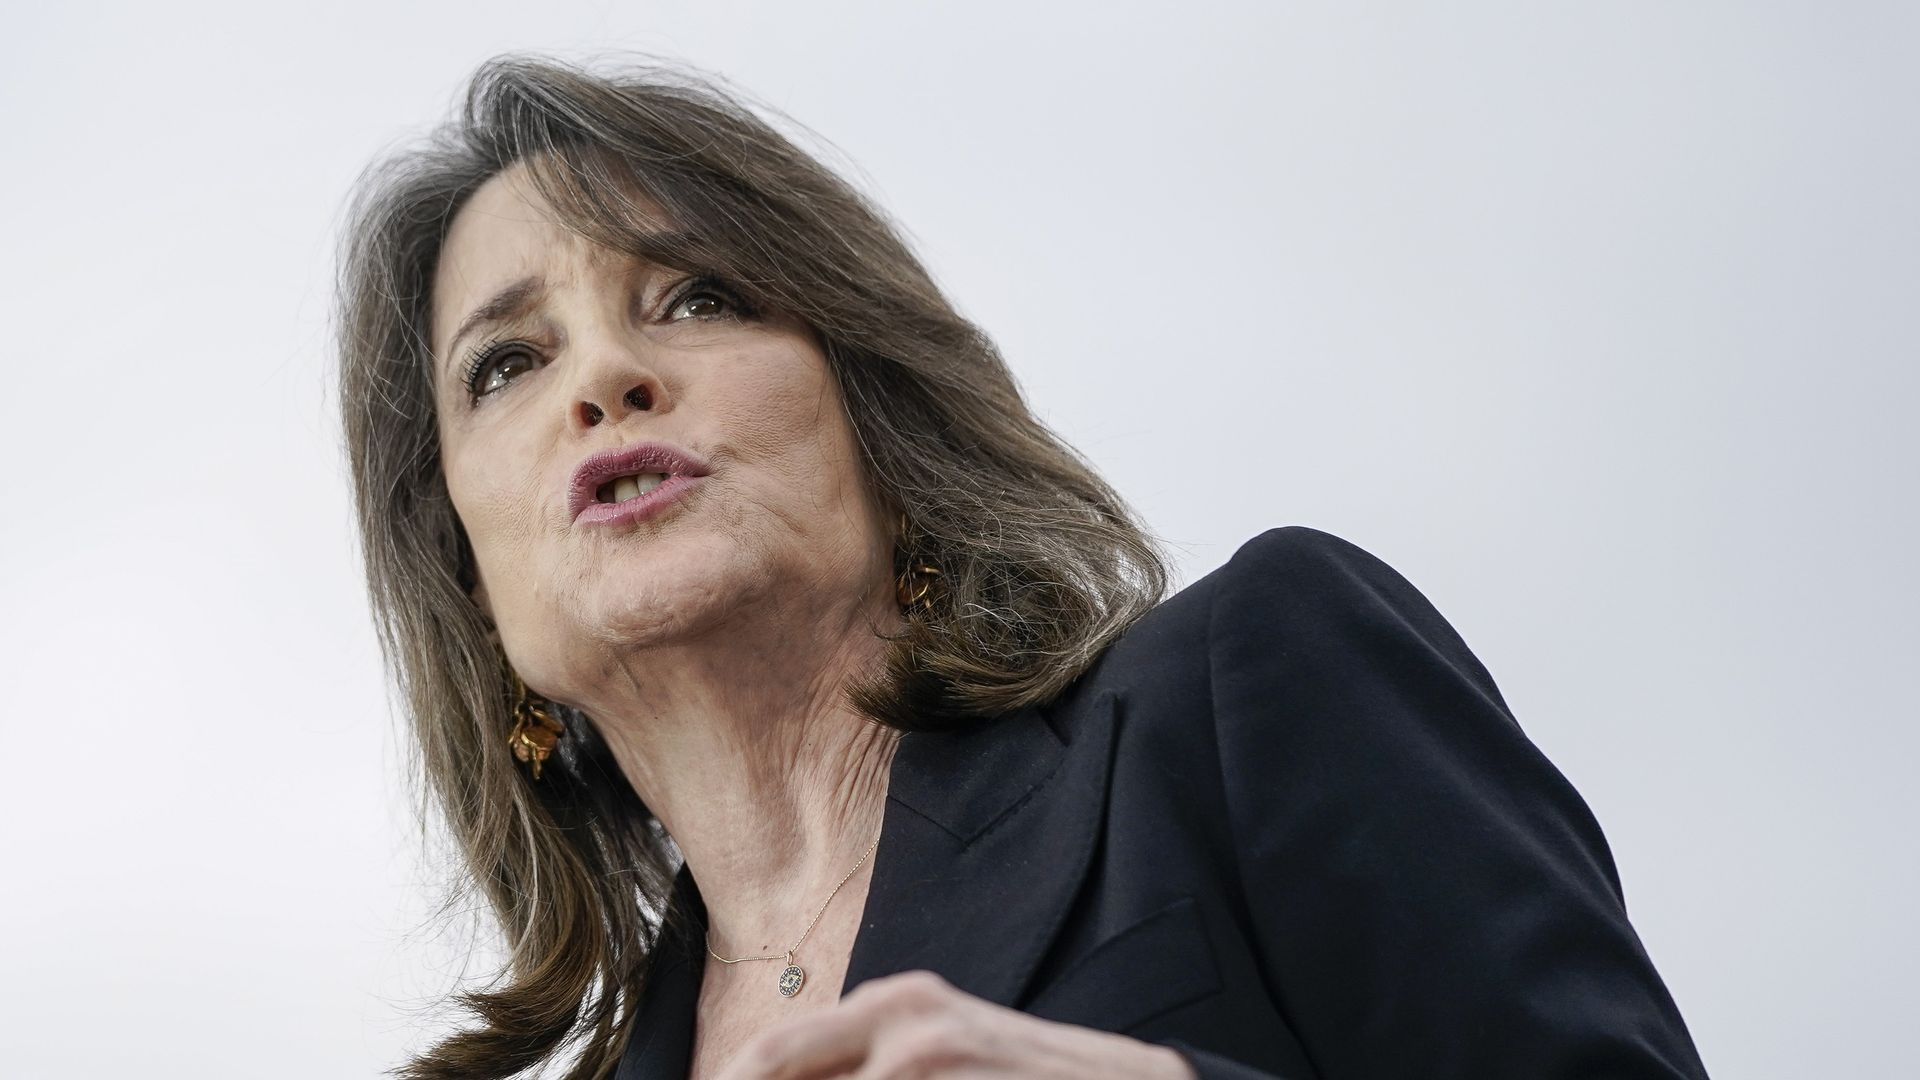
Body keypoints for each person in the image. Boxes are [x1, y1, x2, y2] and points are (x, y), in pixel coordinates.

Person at [334, 53, 1710, 1080]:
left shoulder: (1249, 685)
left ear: (877, 410)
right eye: (507, 364)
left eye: (698, 297)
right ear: (463, 573)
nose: (608, 377)